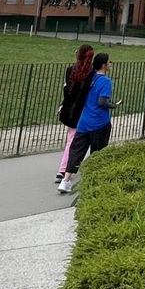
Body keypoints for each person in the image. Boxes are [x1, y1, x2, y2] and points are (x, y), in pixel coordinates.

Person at [58, 54, 119, 193]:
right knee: (97, 153)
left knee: (76, 152)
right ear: (104, 65)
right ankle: (93, 182)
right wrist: (113, 105)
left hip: (84, 121)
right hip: (99, 122)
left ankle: (65, 180)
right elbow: (102, 102)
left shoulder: (88, 79)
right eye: (109, 61)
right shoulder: (106, 81)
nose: (111, 63)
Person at [55, 43, 94, 184]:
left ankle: (64, 168)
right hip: (83, 109)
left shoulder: (70, 70)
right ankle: (64, 170)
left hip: (70, 109)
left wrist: (63, 104)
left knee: (71, 139)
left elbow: (68, 90)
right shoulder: (92, 73)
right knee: (76, 140)